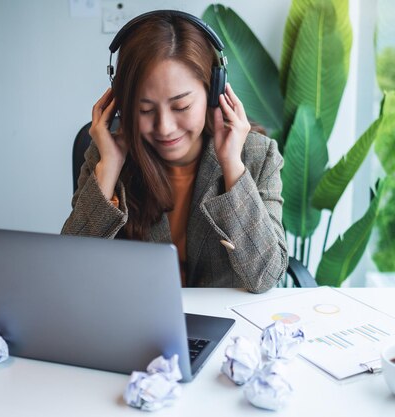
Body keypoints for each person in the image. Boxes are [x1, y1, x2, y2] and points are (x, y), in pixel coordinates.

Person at [62, 10, 287, 293]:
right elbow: (70, 273)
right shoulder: (105, 156)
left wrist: (231, 166)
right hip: (135, 322)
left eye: (181, 107)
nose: (165, 127)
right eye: (145, 109)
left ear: (214, 91)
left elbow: (266, 277)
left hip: (227, 325)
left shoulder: (256, 156)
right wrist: (108, 169)